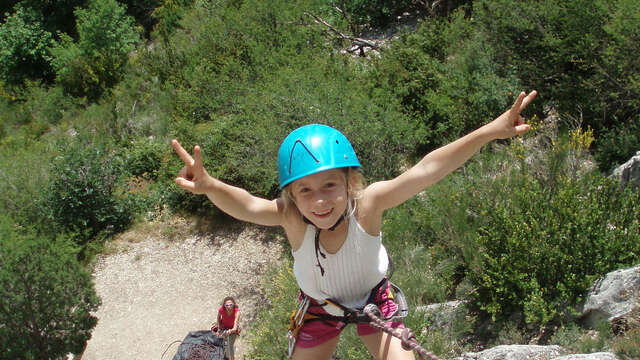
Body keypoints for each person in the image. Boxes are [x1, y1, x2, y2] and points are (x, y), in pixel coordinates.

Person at [172, 90, 537, 359]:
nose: (319, 200)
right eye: (306, 190)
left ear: (349, 183)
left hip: (373, 300)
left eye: (330, 185)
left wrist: (490, 131)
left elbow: (427, 169)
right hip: (320, 306)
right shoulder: (290, 216)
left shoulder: (368, 205)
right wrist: (210, 186)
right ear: (292, 196)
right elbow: (248, 205)